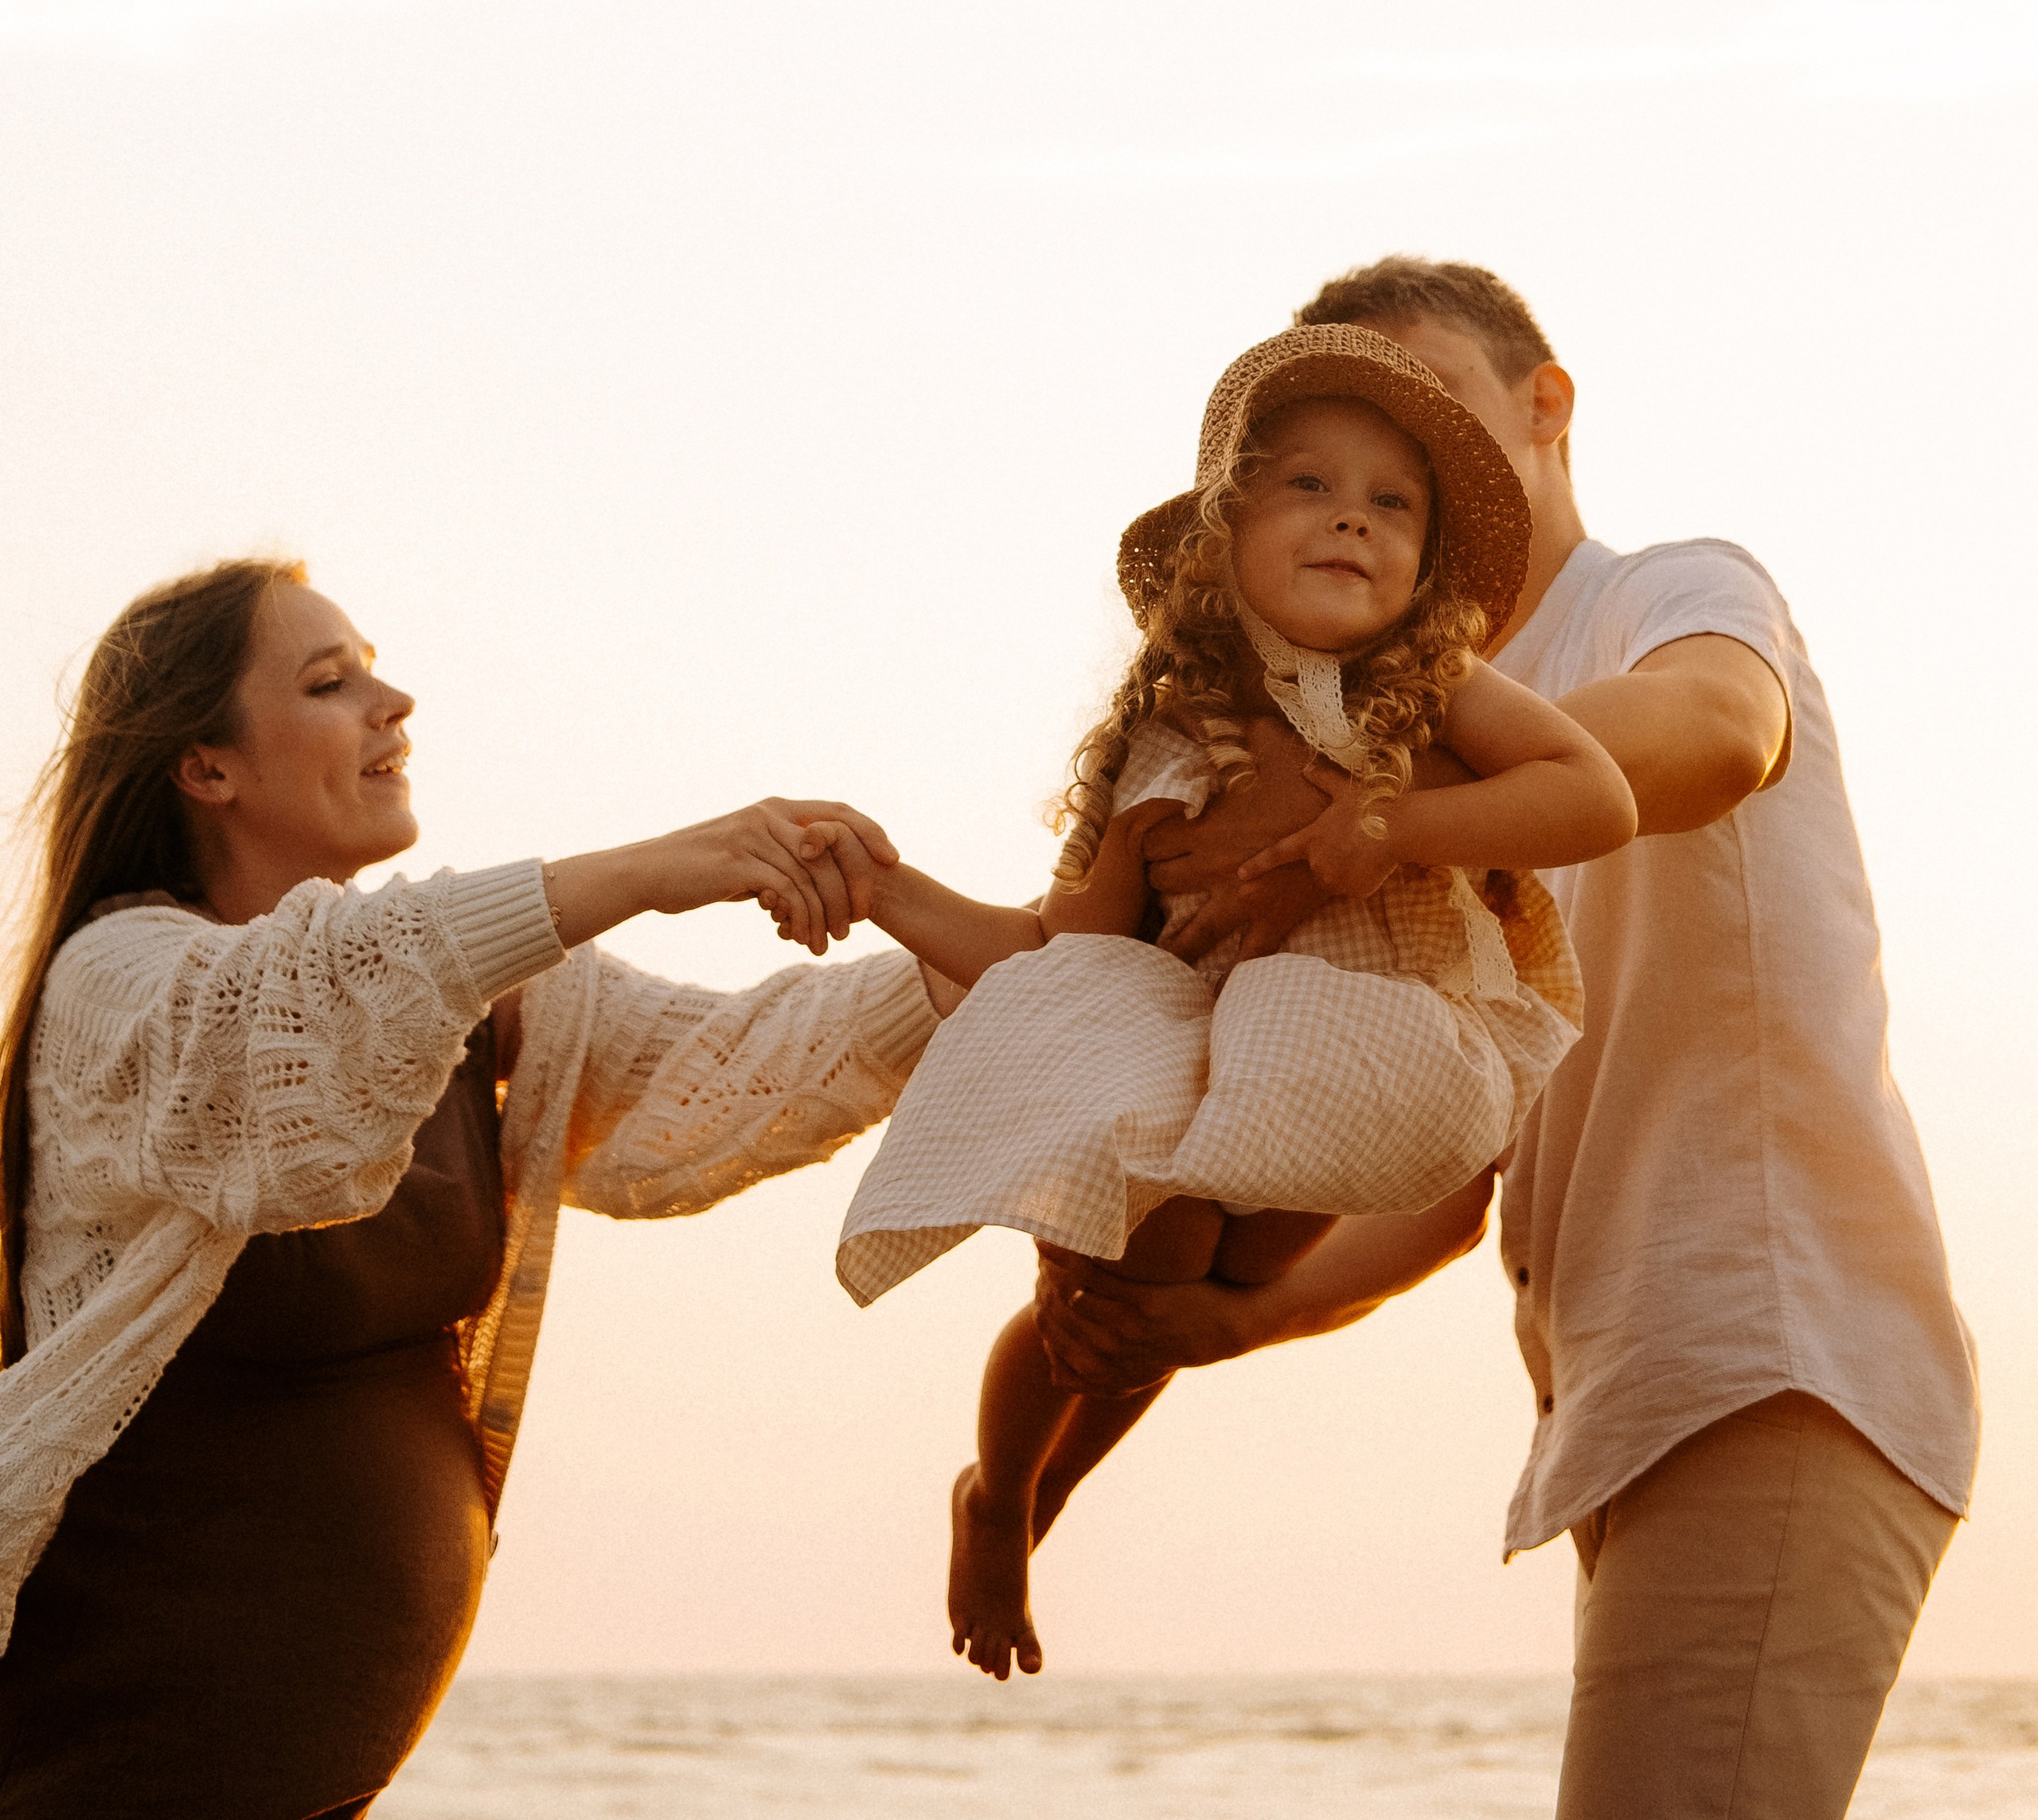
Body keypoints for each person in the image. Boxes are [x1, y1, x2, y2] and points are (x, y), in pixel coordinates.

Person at [1034, 258, 1980, 1820]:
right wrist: (1219, 1325)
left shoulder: (1667, 590)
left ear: (1541, 410)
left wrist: (1382, 811)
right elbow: (1455, 1160)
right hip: (1634, 1399)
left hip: (1773, 1354)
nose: (1384, 494)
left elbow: (1717, 730)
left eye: (1431, 424)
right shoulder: (1426, 739)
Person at [0, 555, 915, 1820]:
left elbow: (748, 1068)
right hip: (99, 1776)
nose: (396, 704)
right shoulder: (123, 983)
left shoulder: (466, 1000)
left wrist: (1053, 942)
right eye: (332, 682)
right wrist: (658, 867)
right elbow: (307, 1034)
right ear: (206, 768)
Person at [832, 323, 1634, 1677]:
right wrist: (887, 890)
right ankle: (1005, 1489)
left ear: (1428, 562)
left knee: (1220, 1287)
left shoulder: (1438, 693)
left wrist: (1377, 826)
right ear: (1223, 532)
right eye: (1309, 488)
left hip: (1364, 1059)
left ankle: (1042, 1496)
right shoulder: (1176, 727)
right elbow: (1057, 941)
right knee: (1125, 1289)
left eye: (1394, 505)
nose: (1353, 523)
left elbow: (1598, 798)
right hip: (1169, 1047)